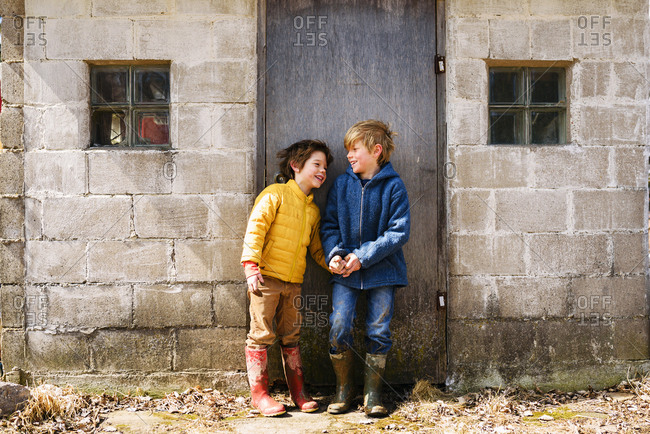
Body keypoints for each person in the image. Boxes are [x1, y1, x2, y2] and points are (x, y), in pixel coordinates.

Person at [321, 120, 410, 417]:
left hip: (383, 271)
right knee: (339, 325)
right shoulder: (342, 185)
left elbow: (398, 232)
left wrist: (364, 255)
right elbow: (330, 225)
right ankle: (344, 390)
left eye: (354, 149)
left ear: (376, 150)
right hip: (345, 274)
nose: (348, 155)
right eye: (347, 150)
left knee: (378, 329)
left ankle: (373, 393)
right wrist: (334, 254)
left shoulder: (394, 186)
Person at [241, 140, 333, 417]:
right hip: (265, 279)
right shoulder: (275, 194)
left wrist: (334, 264)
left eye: (325, 167)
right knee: (261, 334)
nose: (322, 171)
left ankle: (298, 392)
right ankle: (260, 395)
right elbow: (256, 228)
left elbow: (316, 249)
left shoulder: (313, 210)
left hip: (293, 282)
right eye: (316, 164)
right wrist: (250, 265)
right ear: (295, 166)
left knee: (291, 334)